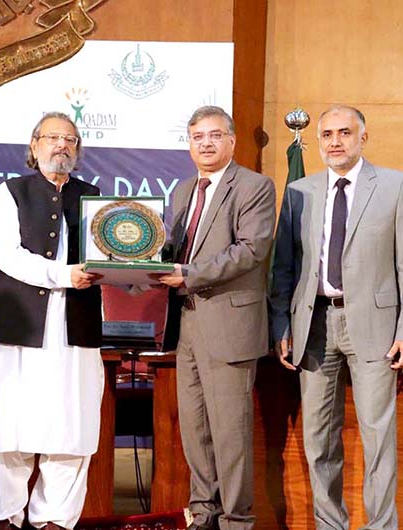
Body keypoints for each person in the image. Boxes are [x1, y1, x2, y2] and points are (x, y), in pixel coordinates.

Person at [269, 105, 403, 530]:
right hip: (313, 326)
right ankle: (329, 524)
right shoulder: (300, 190)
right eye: (327, 135)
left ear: (363, 138)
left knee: (377, 438)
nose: (334, 142)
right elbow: (284, 267)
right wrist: (281, 324)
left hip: (375, 328)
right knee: (319, 438)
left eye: (344, 133)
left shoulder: (394, 185)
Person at [0, 112, 103, 530]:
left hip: (75, 328)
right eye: (52, 138)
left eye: (70, 139)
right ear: (34, 145)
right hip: (18, 327)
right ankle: (3, 518)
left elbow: (109, 259)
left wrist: (137, 274)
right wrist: (62, 275)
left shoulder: (94, 196)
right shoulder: (11, 192)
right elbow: (8, 256)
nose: (61, 146)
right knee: (8, 426)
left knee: (72, 423)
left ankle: (55, 520)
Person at [156, 105, 276, 530]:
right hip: (187, 324)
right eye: (197, 137)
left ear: (231, 141)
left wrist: (187, 275)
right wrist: (138, 267)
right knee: (195, 430)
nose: (205, 143)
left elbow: (250, 249)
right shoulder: (185, 189)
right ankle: (203, 514)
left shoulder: (255, 187)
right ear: (189, 145)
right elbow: (172, 249)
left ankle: (237, 520)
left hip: (229, 325)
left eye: (214, 135)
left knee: (230, 434)